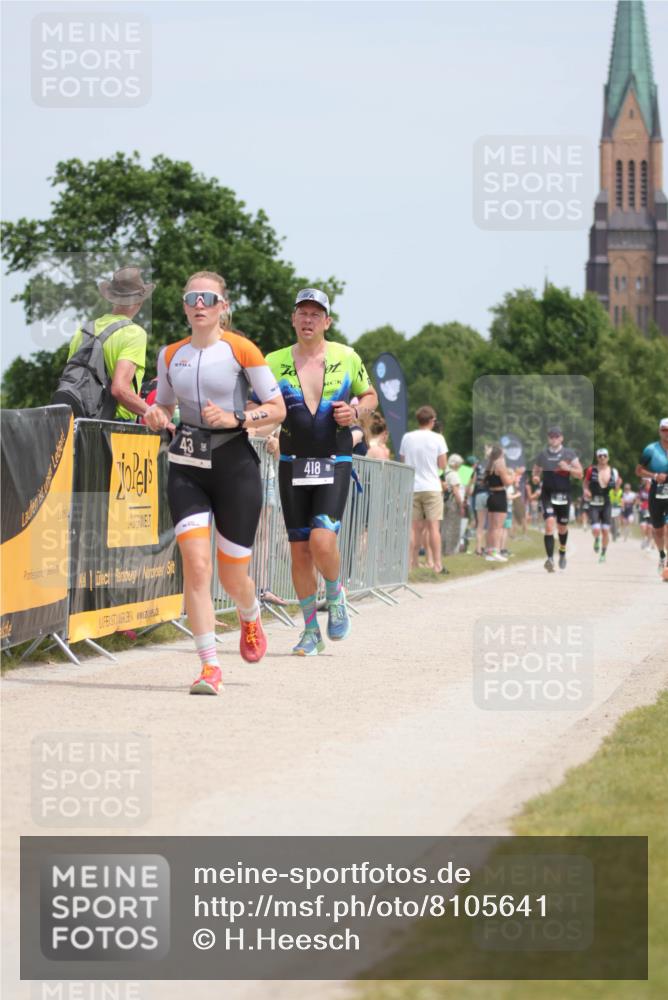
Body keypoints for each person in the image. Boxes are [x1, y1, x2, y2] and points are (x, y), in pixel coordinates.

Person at [144, 271, 286, 695]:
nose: (199, 305)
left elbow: (277, 408)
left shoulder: (241, 349)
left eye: (208, 298)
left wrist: (235, 418)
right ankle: (209, 666)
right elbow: (163, 405)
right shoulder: (170, 355)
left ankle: (249, 613)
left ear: (223, 306)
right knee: (196, 566)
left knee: (232, 577)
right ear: (185, 307)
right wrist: (155, 416)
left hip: (234, 467)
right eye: (192, 298)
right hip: (186, 467)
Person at [264, 288, 377, 656]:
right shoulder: (273, 361)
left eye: (315, 314)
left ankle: (335, 591)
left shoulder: (347, 356)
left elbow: (370, 396)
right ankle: (311, 631)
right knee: (299, 552)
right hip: (291, 462)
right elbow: (259, 403)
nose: (308, 319)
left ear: (327, 321)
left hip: (334, 458)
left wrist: (355, 412)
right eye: (303, 313)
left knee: (322, 539)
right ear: (293, 319)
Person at [65, 266, 154, 420]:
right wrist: (153, 413)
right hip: (114, 423)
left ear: (112, 298)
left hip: (77, 421)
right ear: (140, 302)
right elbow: (119, 389)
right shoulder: (134, 333)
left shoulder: (83, 331)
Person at [400, 405, 449, 575]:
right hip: (431, 486)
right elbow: (443, 465)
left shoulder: (407, 437)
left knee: (414, 528)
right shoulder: (438, 438)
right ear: (432, 420)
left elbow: (403, 460)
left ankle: (411, 563)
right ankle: (437, 564)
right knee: (433, 527)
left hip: (413, 486)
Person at [532, 426, 583, 572]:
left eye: (556, 436)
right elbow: (536, 470)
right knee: (549, 525)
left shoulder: (569, 453)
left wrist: (568, 469)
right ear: (548, 438)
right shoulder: (543, 454)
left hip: (564, 495)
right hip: (547, 494)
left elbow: (580, 473)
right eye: (551, 436)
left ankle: (562, 551)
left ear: (561, 438)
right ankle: (550, 559)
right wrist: (536, 477)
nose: (554, 438)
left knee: (562, 527)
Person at [635, 417, 668, 577]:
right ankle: (662, 555)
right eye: (664, 430)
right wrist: (654, 475)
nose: (667, 433)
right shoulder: (651, 449)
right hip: (656, 492)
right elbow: (638, 470)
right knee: (658, 530)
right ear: (659, 431)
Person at [583, 448, 619, 563]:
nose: (602, 457)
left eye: (604, 455)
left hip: (606, 502)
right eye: (600, 456)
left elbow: (616, 488)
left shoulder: (614, 471)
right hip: (594, 501)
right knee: (595, 529)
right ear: (597, 458)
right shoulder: (591, 470)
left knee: (605, 531)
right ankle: (596, 539)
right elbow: (585, 483)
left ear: (608, 457)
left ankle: (603, 553)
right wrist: (586, 490)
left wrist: (617, 487)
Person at [484, 444, 514, 562]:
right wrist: (514, 475)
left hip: (491, 496)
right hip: (499, 496)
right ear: (500, 454)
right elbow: (507, 482)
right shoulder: (499, 465)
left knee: (491, 527)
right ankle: (496, 552)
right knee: (498, 527)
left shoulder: (490, 464)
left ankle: (490, 552)